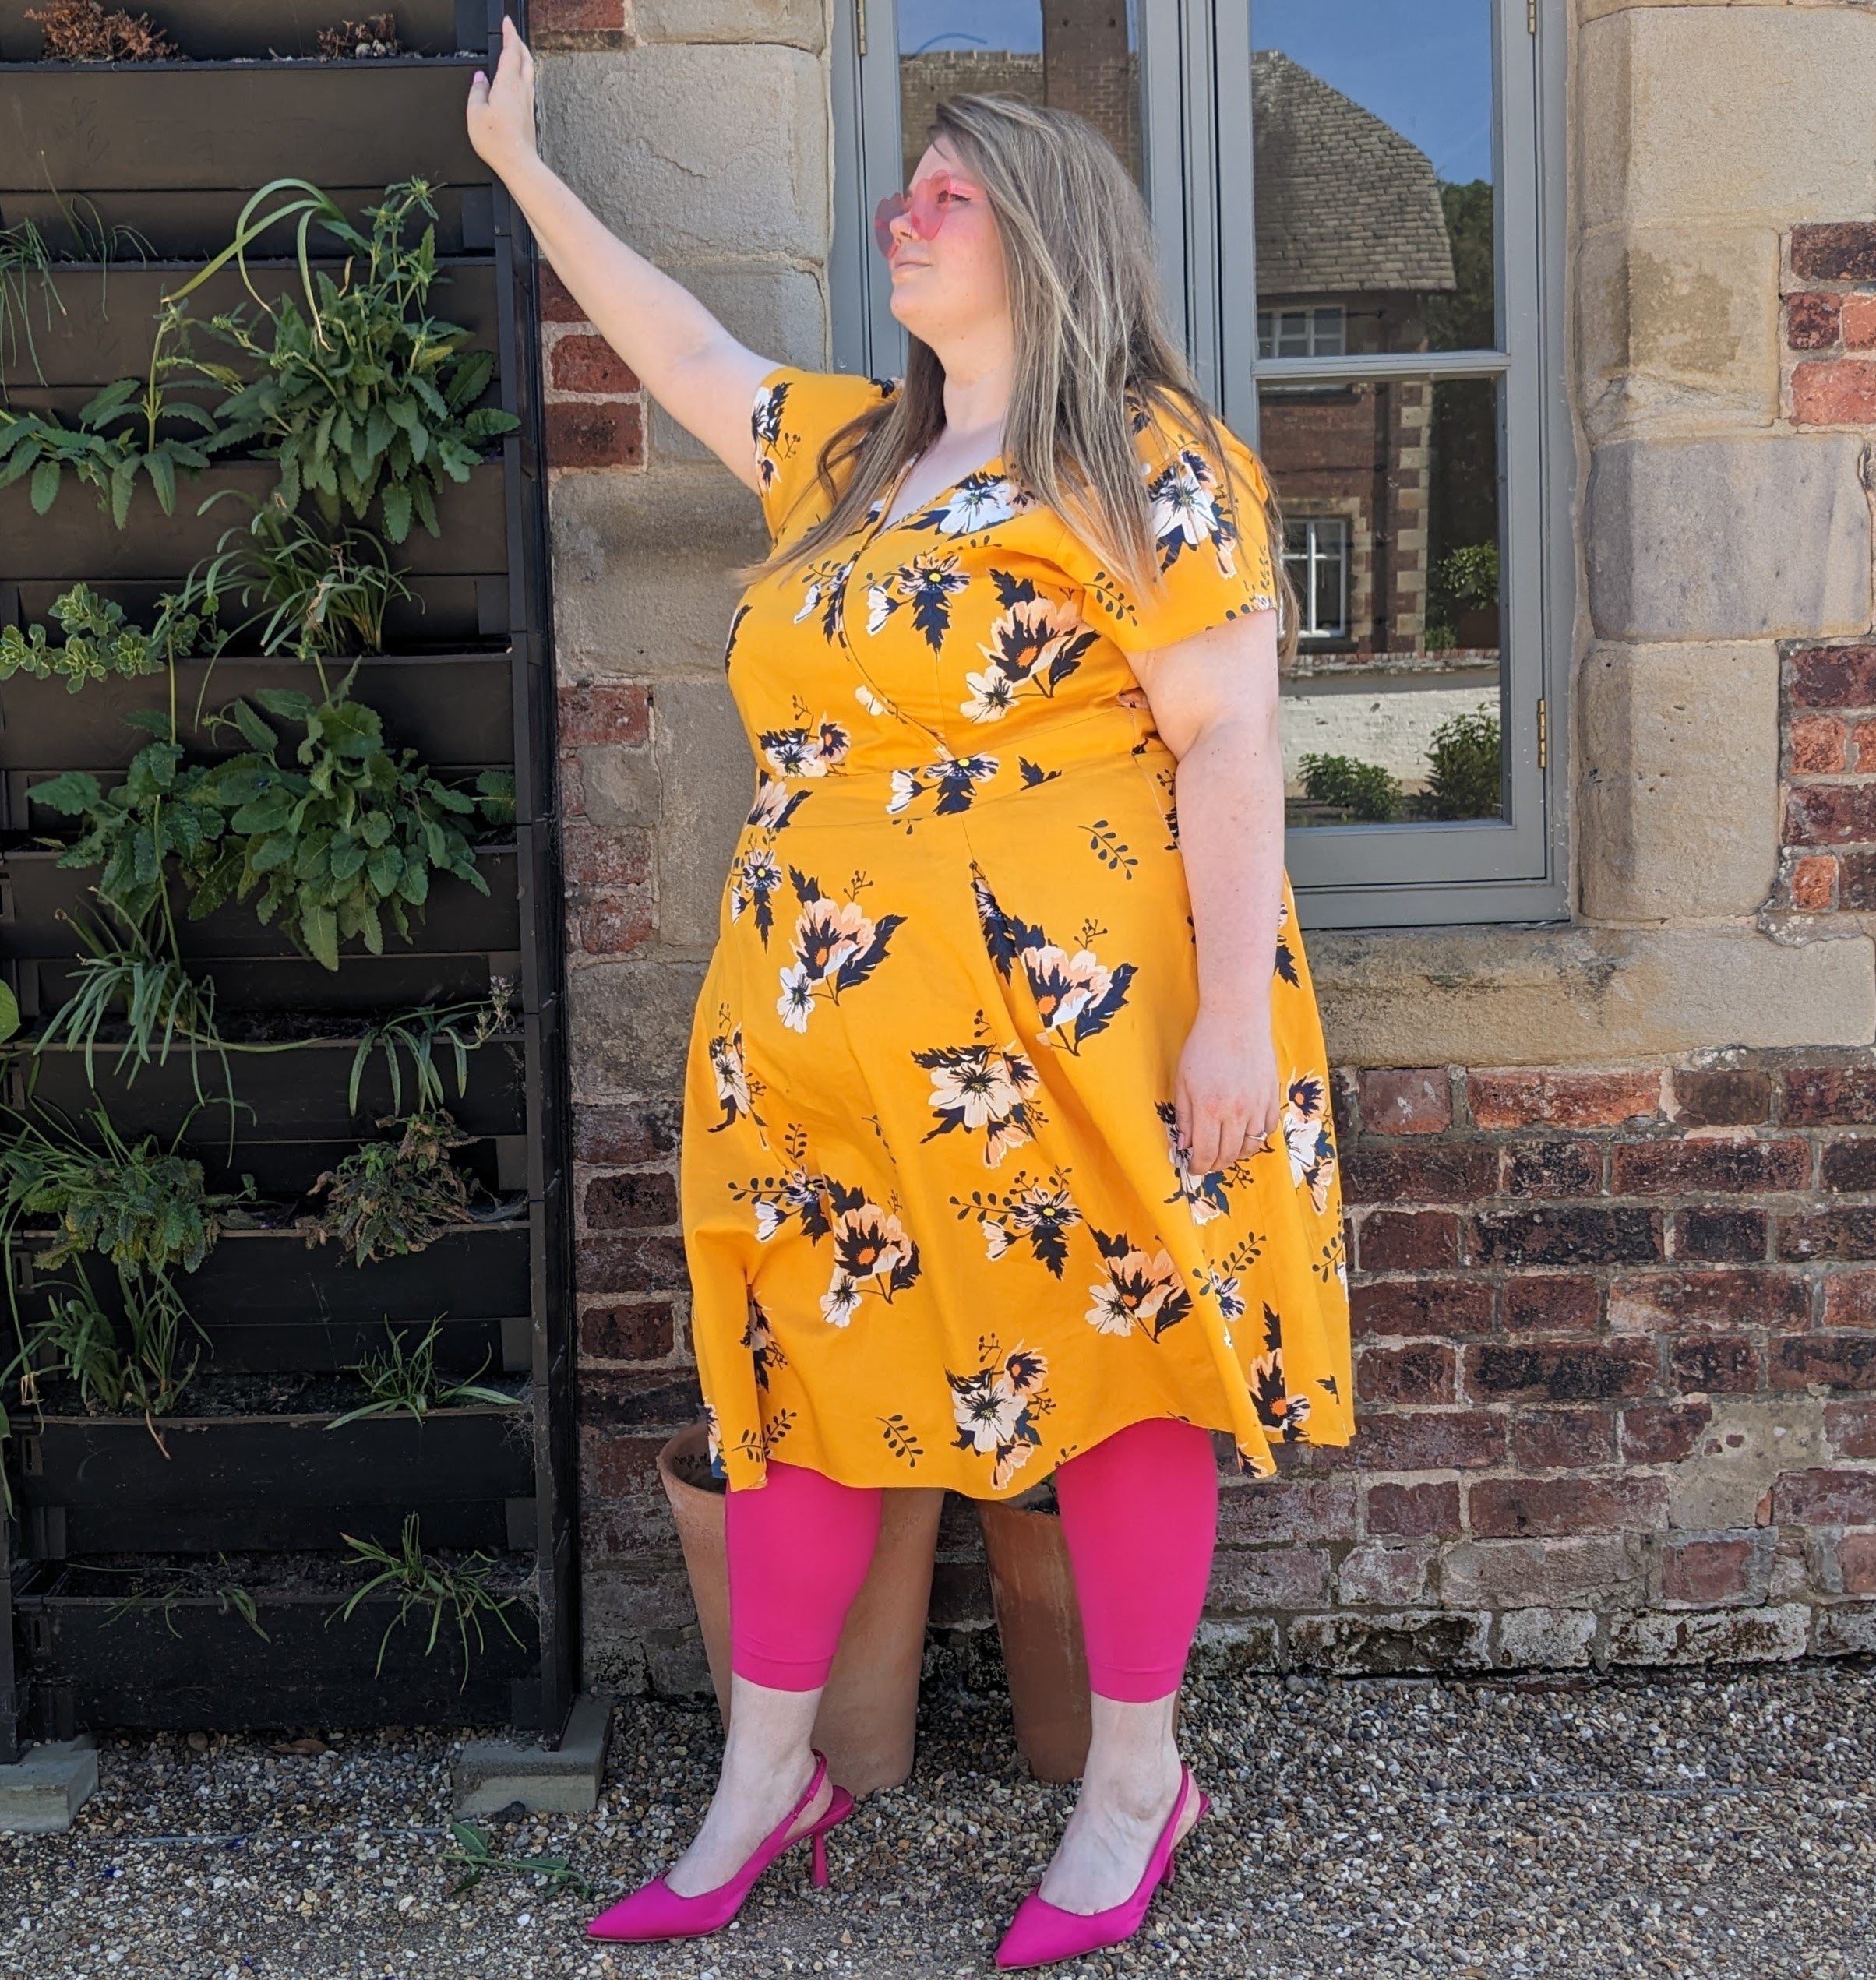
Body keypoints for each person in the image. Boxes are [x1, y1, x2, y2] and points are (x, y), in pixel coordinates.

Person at [468, 18, 1352, 1967]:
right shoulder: (858, 456)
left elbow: (1224, 734)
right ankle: (761, 1780)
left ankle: (1134, 1784)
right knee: (796, 1380)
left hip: (1076, 1021)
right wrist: (528, 174)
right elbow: (687, 350)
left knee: (1119, 1371)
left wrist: (1225, 1015)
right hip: (814, 1031)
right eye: (906, 183)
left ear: (1045, 235)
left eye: (950, 192)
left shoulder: (1144, 460)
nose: (905, 209)